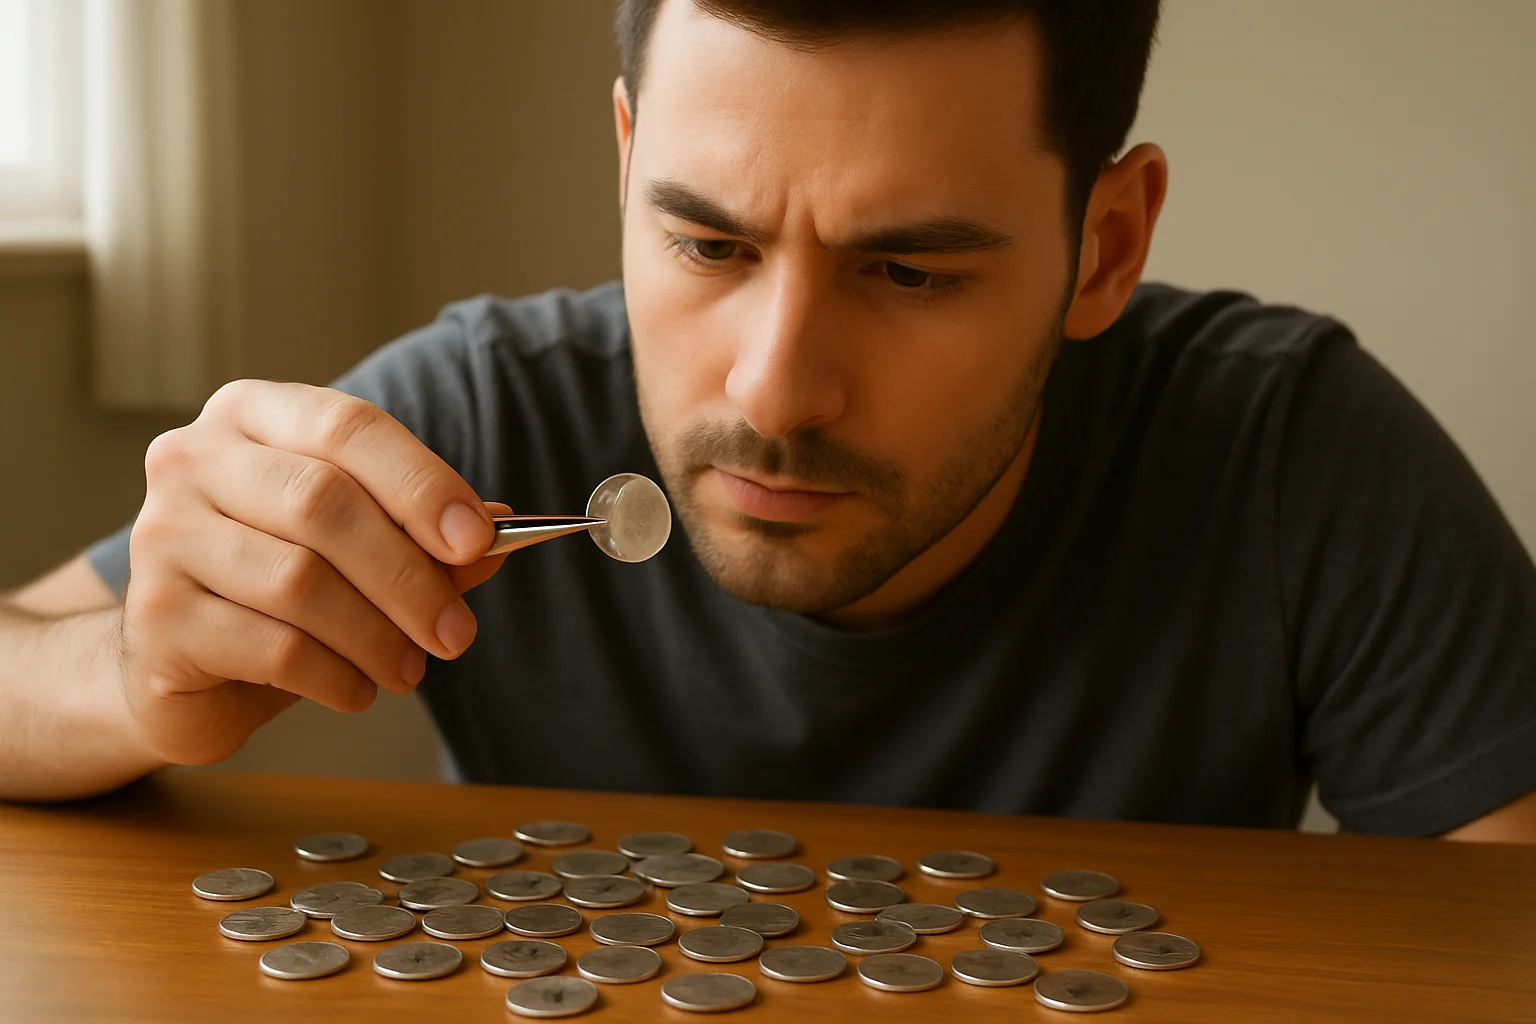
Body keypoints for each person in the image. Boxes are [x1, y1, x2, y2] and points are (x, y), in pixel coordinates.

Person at [2, 0, 1533, 842]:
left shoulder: (1290, 454)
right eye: (707, 246)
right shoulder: (476, 415)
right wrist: (137, 679)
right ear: (626, 169)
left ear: (1106, 246)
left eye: (911, 269)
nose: (772, 389)